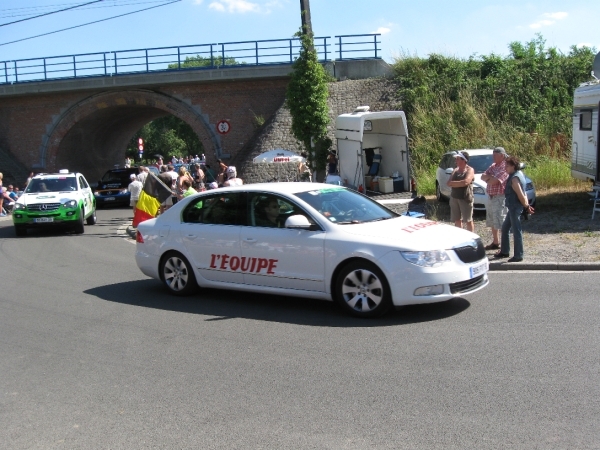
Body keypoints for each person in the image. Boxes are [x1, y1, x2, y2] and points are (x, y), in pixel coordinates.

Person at [494, 156, 535, 262]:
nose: (505, 168)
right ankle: (504, 251)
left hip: (514, 207)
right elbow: (524, 192)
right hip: (513, 207)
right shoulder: (519, 175)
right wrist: (526, 205)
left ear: (513, 166)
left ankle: (518, 255)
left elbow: (521, 194)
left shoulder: (514, 179)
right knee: (505, 228)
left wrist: (526, 206)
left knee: (516, 231)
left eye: (507, 166)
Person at [481, 147, 509, 251]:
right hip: (491, 197)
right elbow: (483, 176)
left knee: (501, 220)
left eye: (495, 155)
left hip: (500, 197)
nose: (493, 157)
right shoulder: (493, 165)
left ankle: (504, 245)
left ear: (501, 156)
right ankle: (495, 242)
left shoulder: (504, 166)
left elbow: (494, 181)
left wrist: (490, 178)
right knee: (492, 220)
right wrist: (490, 177)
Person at [446, 151, 475, 232]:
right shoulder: (455, 170)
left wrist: (454, 184)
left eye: (458, 159)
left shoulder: (470, 170)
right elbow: (448, 183)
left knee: (468, 220)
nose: (456, 161)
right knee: (457, 219)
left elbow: (466, 182)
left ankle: (471, 238)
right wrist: (460, 183)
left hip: (465, 198)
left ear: (464, 160)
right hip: (454, 197)